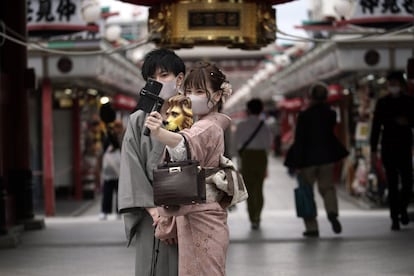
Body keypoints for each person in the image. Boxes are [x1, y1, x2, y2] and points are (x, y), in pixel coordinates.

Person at [145, 62, 233, 276]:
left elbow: (184, 144)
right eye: (190, 91)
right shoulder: (205, 123)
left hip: (201, 212)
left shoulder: (207, 126)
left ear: (218, 96)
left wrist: (159, 132)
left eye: (201, 92)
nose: (193, 97)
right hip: (201, 211)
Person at [118, 48, 185, 276]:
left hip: (186, 214)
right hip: (151, 213)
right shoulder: (138, 119)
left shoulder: (189, 117)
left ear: (179, 79)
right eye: (152, 79)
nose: (158, 82)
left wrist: (175, 214)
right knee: (151, 267)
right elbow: (131, 165)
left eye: (164, 75)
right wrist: (155, 212)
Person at [284, 82, 348, 237]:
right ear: (326, 96)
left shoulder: (304, 116)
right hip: (327, 157)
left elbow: (300, 140)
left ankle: (312, 227)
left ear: (310, 97)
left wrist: (297, 162)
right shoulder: (331, 114)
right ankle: (332, 213)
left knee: (307, 191)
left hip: (307, 160)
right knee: (327, 188)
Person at [369, 71, 414, 231]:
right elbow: (375, 128)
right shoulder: (382, 103)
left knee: (408, 183)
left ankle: (402, 208)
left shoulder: (409, 102)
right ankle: (395, 218)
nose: (392, 87)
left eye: (395, 83)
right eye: (390, 84)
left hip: (405, 147)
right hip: (388, 147)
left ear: (401, 85)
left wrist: (407, 122)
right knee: (392, 184)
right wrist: (373, 150)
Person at [235, 98, 272, 230]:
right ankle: (258, 215)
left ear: (248, 110)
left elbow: (237, 144)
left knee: (249, 189)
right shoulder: (265, 126)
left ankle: (253, 218)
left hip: (247, 157)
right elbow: (268, 144)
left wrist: (238, 162)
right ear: (261, 109)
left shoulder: (241, 125)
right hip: (261, 156)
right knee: (259, 188)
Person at [99, 126, 122, 220]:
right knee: (109, 192)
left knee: (113, 192)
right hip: (113, 171)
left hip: (114, 171)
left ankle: (114, 211)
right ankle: (108, 211)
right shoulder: (108, 138)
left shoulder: (118, 138)